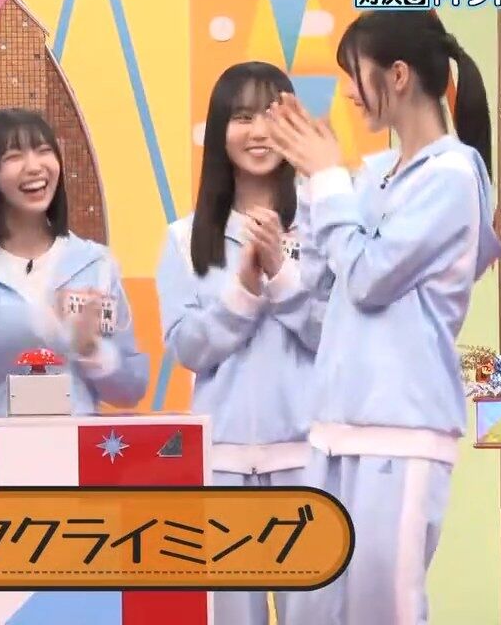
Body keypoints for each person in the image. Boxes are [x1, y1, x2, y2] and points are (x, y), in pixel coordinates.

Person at [266, 11, 501, 625]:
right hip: (332, 427)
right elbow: (324, 282)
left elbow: (370, 278)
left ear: (397, 76)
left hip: (401, 428)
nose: (346, 91)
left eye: (354, 73)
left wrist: (328, 179)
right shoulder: (372, 175)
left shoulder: (453, 176)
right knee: (309, 611)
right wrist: (311, 183)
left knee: (383, 612)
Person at [155, 61, 323, 625]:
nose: (257, 132)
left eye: (270, 116)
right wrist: (244, 291)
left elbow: (338, 338)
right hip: (221, 468)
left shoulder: (326, 226)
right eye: (241, 117)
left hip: (309, 467)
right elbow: (188, 348)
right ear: (219, 131)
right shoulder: (184, 238)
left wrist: (282, 274)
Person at [0, 108, 148, 417]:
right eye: (14, 156)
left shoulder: (95, 265)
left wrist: (90, 350)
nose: (34, 167)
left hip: (73, 443)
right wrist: (27, 332)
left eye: (44, 151)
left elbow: (131, 389)